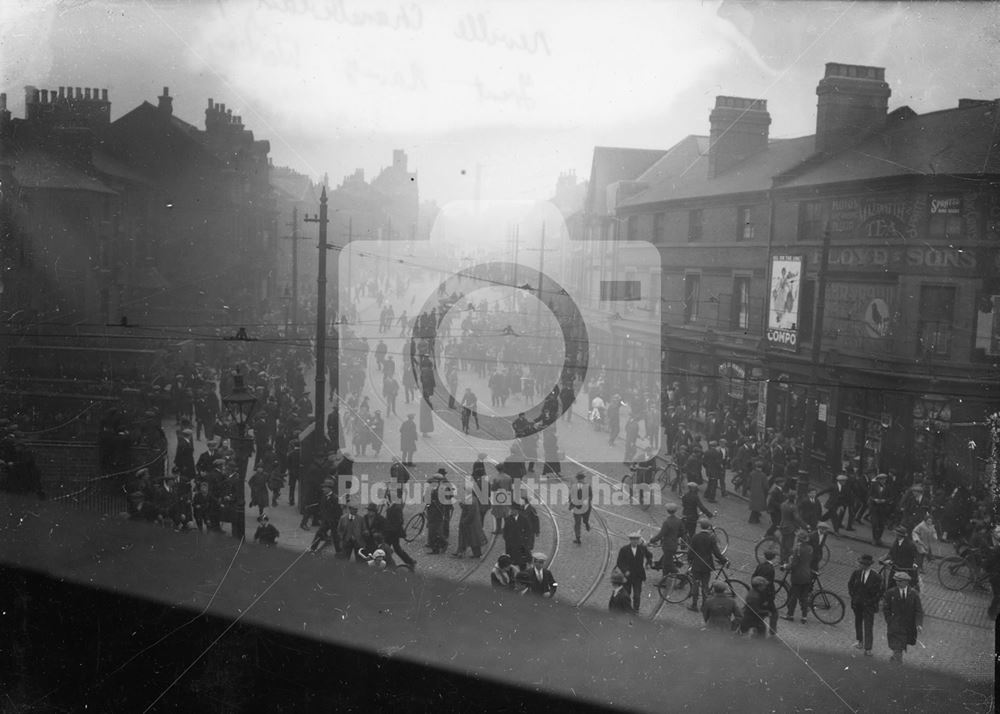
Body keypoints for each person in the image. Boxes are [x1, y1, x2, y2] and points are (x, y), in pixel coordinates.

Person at [687, 519, 727, 613]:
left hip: (696, 565)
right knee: (705, 585)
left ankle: (694, 605)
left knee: (695, 585)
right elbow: (717, 552)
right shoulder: (711, 538)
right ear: (708, 527)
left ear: (700, 526)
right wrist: (724, 560)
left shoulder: (696, 537)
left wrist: (690, 559)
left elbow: (691, 551)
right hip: (707, 565)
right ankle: (704, 606)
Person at [883, 571, 924, 663]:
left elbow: (919, 610)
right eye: (896, 581)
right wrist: (889, 620)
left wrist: (918, 624)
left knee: (900, 647)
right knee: (897, 647)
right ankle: (897, 663)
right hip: (895, 626)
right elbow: (886, 609)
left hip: (907, 626)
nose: (897, 583)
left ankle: (895, 659)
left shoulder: (913, 594)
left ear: (906, 582)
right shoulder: (890, 593)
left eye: (900, 581)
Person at [848, 553, 883, 656]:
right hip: (857, 603)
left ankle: (868, 648)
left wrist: (872, 602)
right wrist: (853, 597)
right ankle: (860, 641)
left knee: (868, 626)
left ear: (867, 565)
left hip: (869, 605)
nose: (859, 565)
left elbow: (880, 592)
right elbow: (850, 585)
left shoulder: (876, 577)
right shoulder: (856, 573)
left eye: (862, 563)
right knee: (858, 622)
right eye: (860, 563)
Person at [616, 531, 654, 612]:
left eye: (637, 539)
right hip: (628, 576)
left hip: (638, 576)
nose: (635, 541)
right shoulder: (624, 549)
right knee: (627, 594)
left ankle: (636, 609)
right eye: (633, 540)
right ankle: (627, 608)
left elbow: (649, 555)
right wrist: (625, 570)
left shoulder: (642, 548)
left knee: (637, 595)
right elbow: (619, 562)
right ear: (630, 540)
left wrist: (648, 563)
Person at [783, 530, 814, 624]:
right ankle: (804, 617)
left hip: (798, 576)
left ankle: (790, 615)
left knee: (793, 596)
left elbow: (794, 564)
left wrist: (785, 566)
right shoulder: (810, 548)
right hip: (807, 574)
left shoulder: (798, 549)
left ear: (799, 539)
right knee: (804, 597)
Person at [649, 502, 683, 578]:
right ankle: (664, 579)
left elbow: (661, 534)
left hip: (668, 545)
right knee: (665, 563)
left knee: (668, 564)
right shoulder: (678, 521)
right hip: (674, 544)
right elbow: (682, 532)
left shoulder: (667, 522)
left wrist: (652, 540)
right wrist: (675, 536)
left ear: (667, 511)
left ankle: (682, 578)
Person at [751, 550, 780, 636]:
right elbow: (769, 584)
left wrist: (755, 589)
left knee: (761, 613)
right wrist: (770, 596)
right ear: (773, 558)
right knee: (774, 613)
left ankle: (756, 629)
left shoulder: (760, 565)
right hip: (766, 596)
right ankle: (772, 630)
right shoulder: (770, 569)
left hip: (758, 593)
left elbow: (753, 576)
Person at [886, 524, 919, 589]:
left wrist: (914, 564)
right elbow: (891, 552)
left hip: (904, 569)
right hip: (895, 567)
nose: (895, 535)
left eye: (896, 534)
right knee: (890, 585)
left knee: (902, 586)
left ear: (899, 535)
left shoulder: (910, 545)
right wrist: (887, 558)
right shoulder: (896, 541)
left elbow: (915, 556)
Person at [569, 472, 592, 544]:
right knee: (578, 523)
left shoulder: (587, 486)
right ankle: (578, 538)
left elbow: (590, 496)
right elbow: (571, 496)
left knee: (581, 521)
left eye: (581, 479)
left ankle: (586, 523)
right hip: (579, 507)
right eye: (580, 479)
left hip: (583, 507)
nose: (581, 480)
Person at [746, 458, 768, 524]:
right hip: (760, 493)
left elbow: (748, 483)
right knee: (757, 506)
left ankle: (756, 519)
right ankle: (752, 519)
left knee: (755, 506)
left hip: (753, 492)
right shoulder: (763, 475)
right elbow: (765, 486)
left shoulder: (752, 473)